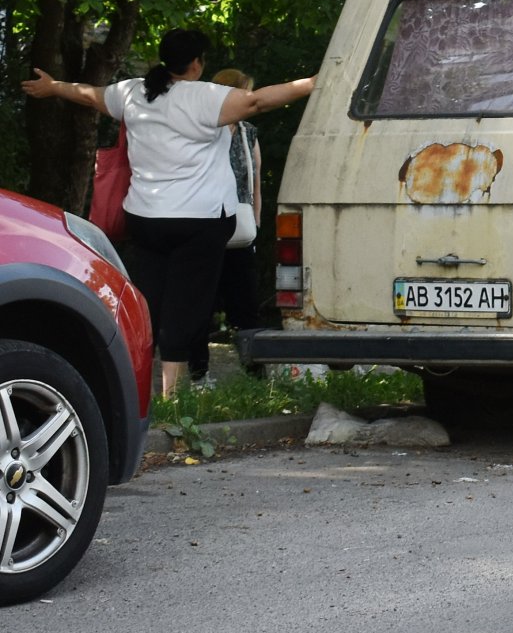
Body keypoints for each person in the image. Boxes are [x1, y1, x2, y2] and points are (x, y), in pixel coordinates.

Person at [23, 29, 316, 398]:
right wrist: (312, 84)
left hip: (146, 220)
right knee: (187, 307)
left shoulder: (133, 91)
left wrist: (53, 86)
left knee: (149, 304)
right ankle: (171, 395)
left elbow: (91, 95)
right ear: (196, 64)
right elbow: (258, 102)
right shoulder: (205, 97)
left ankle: (132, 389)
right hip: (199, 222)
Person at [189, 67, 263, 384]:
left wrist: (256, 227)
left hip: (240, 230)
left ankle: (256, 374)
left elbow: (255, 184)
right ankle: (198, 374)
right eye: (244, 92)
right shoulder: (198, 129)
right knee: (199, 307)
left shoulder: (248, 133)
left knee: (245, 307)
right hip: (203, 227)